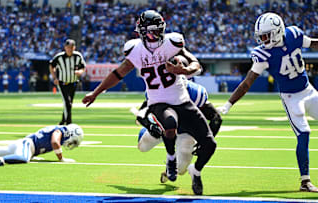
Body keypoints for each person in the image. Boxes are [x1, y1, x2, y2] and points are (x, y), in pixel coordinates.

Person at [82, 10, 217, 195]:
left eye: (156, 31)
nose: (153, 36)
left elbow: (196, 64)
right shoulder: (136, 50)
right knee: (169, 125)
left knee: (210, 144)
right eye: (149, 32)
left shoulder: (173, 43)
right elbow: (118, 74)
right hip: (157, 102)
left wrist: (184, 70)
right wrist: (96, 92)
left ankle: (196, 170)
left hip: (181, 100)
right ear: (141, 32)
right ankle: (170, 158)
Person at [217, 12, 318, 192]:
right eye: (261, 36)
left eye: (265, 36)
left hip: (308, 91)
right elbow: (247, 83)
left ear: (278, 31)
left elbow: (314, 43)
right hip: (290, 97)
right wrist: (228, 103)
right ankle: (305, 181)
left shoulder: (294, 34)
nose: (262, 40)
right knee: (304, 133)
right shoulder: (263, 54)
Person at [133, 80, 222, 183]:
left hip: (186, 131)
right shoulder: (159, 91)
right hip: (163, 128)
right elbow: (140, 117)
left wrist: (204, 142)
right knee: (143, 147)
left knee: (180, 169)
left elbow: (216, 118)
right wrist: (149, 125)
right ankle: (145, 132)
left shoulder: (195, 94)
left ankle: (168, 170)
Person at [0, 124, 84, 166]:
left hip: (23, 144)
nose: (71, 143)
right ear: (71, 132)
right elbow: (55, 142)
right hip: (27, 144)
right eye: (73, 140)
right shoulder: (60, 131)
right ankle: (2, 160)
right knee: (23, 158)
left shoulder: (59, 129)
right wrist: (61, 159)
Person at [49, 39, 86, 125]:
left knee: (69, 104)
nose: (70, 49)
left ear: (74, 47)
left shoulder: (78, 56)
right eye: (68, 47)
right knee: (67, 103)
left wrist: (80, 72)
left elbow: (83, 66)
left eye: (71, 47)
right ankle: (69, 123)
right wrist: (55, 77)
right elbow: (51, 65)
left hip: (73, 82)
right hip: (63, 83)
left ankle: (62, 122)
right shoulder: (59, 57)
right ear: (65, 47)